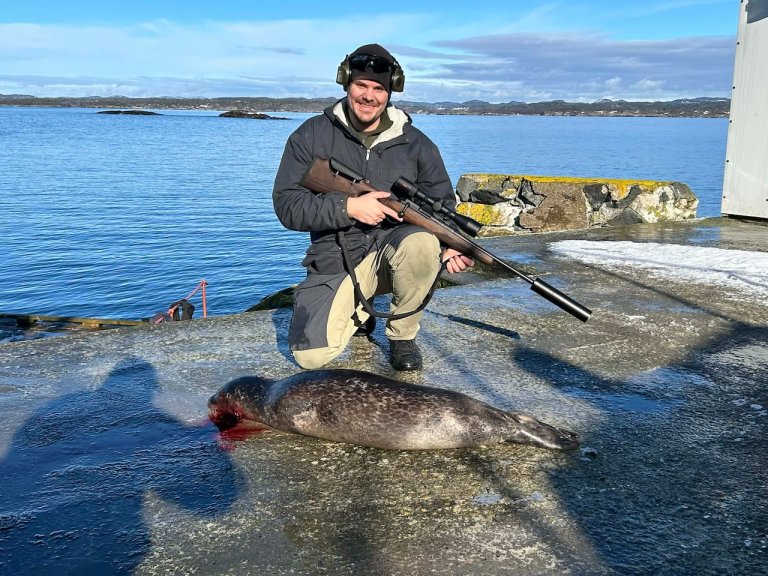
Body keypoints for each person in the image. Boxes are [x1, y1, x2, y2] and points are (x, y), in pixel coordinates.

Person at [273, 43, 473, 371]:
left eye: (378, 88)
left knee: (423, 243)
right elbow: (286, 204)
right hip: (336, 261)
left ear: (390, 92)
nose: (369, 96)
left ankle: (402, 336)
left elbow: (443, 207)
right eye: (361, 85)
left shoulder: (417, 143)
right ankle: (358, 311)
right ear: (346, 84)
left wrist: (451, 244)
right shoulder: (310, 135)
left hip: (394, 254)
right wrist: (348, 207)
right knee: (311, 357)